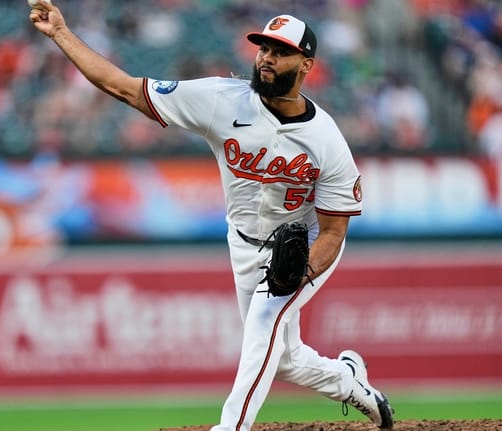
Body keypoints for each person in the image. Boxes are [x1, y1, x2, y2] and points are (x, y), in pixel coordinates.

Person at [29, 2, 395, 430]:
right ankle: (353, 383)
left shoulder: (327, 141)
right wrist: (60, 34)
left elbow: (334, 230)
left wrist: (303, 270)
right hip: (242, 243)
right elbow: (126, 88)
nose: (266, 58)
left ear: (306, 64)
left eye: (280, 51)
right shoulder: (221, 99)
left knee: (263, 324)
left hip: (304, 249)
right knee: (284, 360)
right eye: (263, 48)